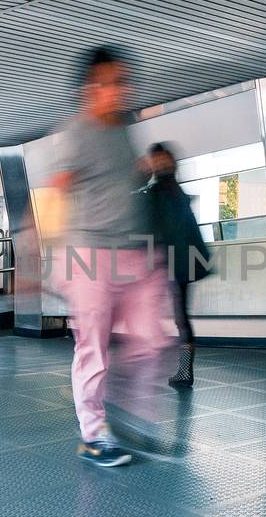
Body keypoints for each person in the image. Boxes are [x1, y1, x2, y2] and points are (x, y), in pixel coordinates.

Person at [47, 47, 171, 467]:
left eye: (124, 81)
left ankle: (133, 414)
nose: (120, 90)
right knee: (93, 347)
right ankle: (93, 434)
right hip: (87, 253)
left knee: (154, 339)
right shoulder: (75, 132)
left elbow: (124, 180)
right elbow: (57, 190)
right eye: (111, 82)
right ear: (90, 88)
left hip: (134, 252)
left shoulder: (123, 130)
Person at [144, 143, 210, 388]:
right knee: (181, 316)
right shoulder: (177, 193)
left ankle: (178, 370)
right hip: (184, 263)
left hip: (167, 264)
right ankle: (184, 371)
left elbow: (148, 229)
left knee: (156, 312)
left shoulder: (155, 194)